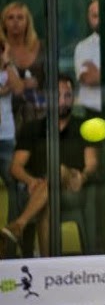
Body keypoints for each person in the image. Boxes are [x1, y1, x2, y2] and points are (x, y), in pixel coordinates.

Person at [0, 74, 99, 258]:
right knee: (47, 200)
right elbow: (16, 167)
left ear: (73, 97)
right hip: (39, 189)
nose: (62, 101)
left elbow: (92, 163)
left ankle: (19, 225)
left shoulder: (83, 126)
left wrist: (82, 177)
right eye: (57, 95)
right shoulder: (33, 128)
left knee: (59, 169)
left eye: (67, 96)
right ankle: (49, 265)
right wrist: (30, 181)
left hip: (71, 186)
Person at [0, 2, 46, 131]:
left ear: (27, 22)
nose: (15, 22)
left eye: (20, 18)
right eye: (10, 18)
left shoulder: (42, 47)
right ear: (4, 22)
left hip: (39, 110)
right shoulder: (1, 49)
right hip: (7, 115)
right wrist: (22, 83)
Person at [0, 39, 24, 258]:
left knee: (14, 187)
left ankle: (9, 247)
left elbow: (18, 90)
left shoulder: (8, 69)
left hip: (6, 137)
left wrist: (7, 62)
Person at [74, 0, 101, 114]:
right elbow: (89, 78)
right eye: (95, 16)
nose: (99, 20)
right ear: (89, 19)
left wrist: (98, 73)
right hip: (90, 112)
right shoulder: (83, 47)